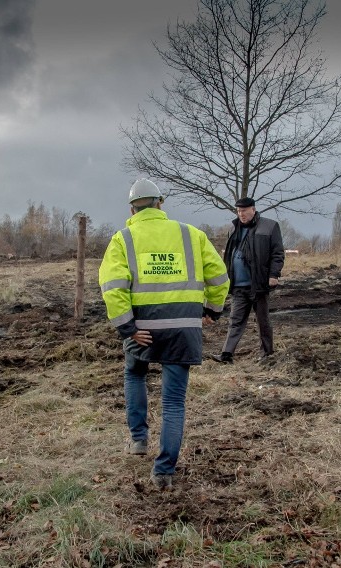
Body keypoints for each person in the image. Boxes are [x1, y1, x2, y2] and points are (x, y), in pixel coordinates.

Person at [99, 179, 229, 490]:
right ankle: (164, 471)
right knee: (173, 402)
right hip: (183, 329)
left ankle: (139, 440)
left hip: (143, 330)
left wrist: (128, 328)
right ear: (161, 203)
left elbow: (112, 287)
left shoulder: (123, 238)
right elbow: (220, 277)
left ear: (132, 208)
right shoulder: (191, 235)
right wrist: (211, 311)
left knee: (134, 375)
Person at [214, 196, 285, 364]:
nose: (241, 214)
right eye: (238, 211)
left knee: (262, 320)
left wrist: (274, 275)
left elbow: (277, 253)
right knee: (235, 320)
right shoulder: (233, 228)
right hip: (238, 284)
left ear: (253, 209)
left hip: (259, 284)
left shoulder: (269, 226)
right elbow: (229, 255)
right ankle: (226, 355)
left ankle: (267, 354)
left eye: (244, 211)